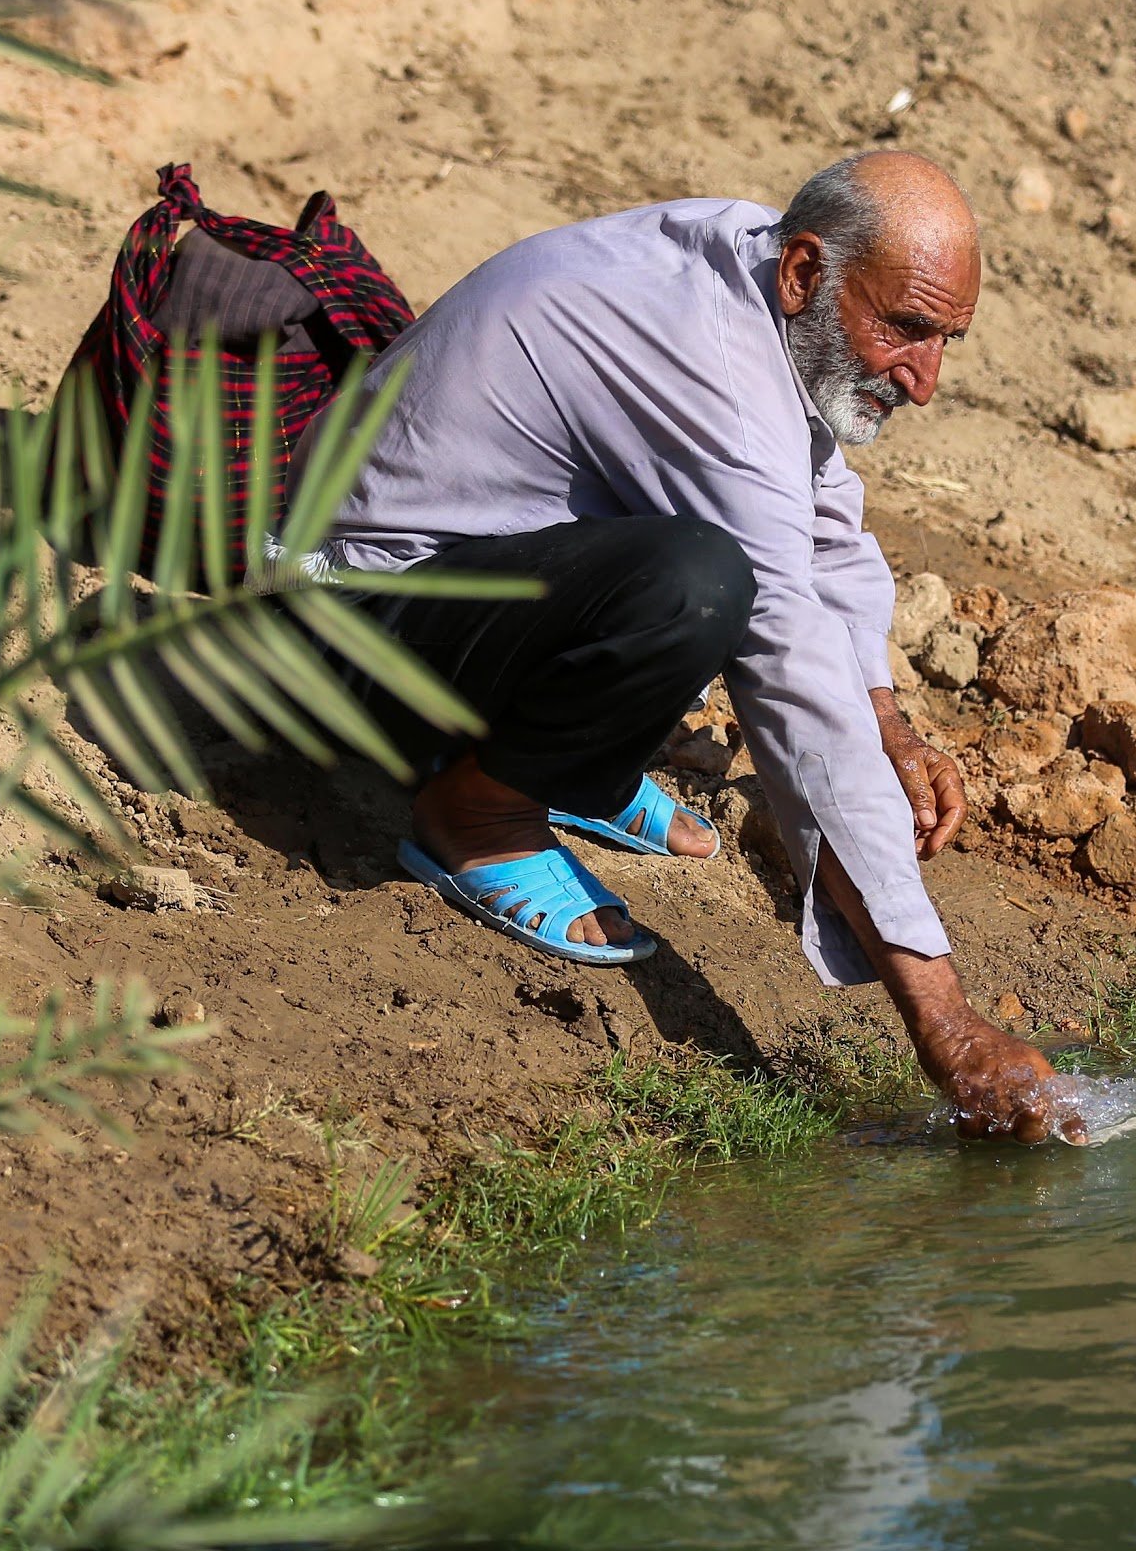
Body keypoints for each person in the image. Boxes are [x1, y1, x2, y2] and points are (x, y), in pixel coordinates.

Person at [313, 151, 1084, 1144]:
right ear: (807, 274)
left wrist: (888, 722)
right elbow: (790, 678)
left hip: (468, 581)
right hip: (345, 626)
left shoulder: (763, 273)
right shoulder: (707, 353)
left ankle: (561, 762)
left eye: (948, 340)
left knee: (713, 571)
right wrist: (946, 1022)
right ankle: (478, 811)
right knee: (705, 584)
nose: (925, 380)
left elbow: (823, 526)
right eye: (905, 329)